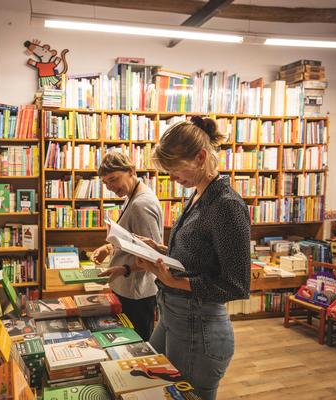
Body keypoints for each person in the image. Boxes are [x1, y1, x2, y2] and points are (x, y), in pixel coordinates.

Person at [105, 117, 251, 400]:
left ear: (200, 157)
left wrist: (173, 281)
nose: (170, 177)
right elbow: (194, 259)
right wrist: (158, 248)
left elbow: (236, 285)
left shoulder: (226, 205)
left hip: (199, 325)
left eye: (174, 168)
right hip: (174, 314)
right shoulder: (198, 195)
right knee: (155, 385)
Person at [91, 152, 163, 340]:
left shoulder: (141, 204)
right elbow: (132, 239)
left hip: (137, 293)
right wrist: (108, 248)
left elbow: (153, 255)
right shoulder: (131, 196)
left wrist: (124, 269)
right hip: (129, 289)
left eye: (114, 179)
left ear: (131, 171)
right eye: (106, 183)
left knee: (137, 346)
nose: (111, 187)